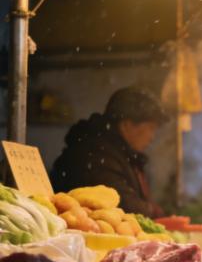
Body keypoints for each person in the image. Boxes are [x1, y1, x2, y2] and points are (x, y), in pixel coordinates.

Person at [50, 86, 169, 216]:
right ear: (126, 124)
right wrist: (154, 212)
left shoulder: (120, 153)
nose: (152, 137)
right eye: (151, 128)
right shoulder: (97, 155)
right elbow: (126, 206)